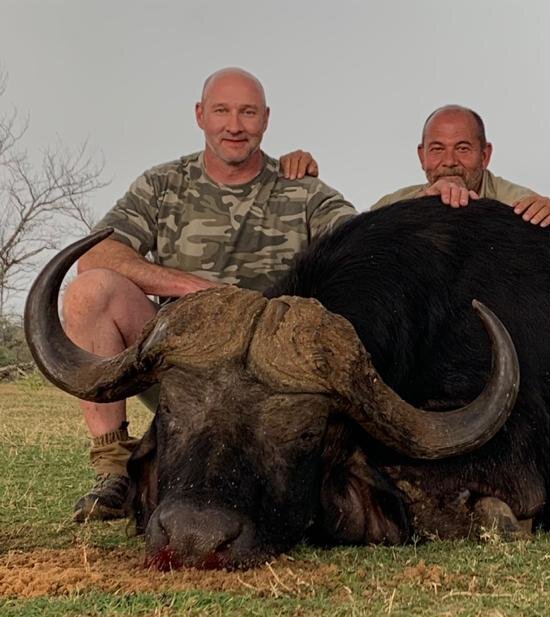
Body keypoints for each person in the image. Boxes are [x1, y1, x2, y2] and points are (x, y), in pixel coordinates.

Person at [62, 67, 354, 522]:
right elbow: (96, 252)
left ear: (266, 120)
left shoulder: (304, 191)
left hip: (272, 381)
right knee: (89, 292)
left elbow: (359, 245)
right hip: (181, 368)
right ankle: (114, 468)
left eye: (247, 112)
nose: (234, 125)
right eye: (221, 110)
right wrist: (190, 288)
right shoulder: (162, 184)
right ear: (200, 115)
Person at [370, 105, 550, 227]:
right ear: (422, 156)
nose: (449, 162)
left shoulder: (518, 205)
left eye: (462, 149)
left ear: (484, 155)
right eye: (437, 149)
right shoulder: (391, 206)